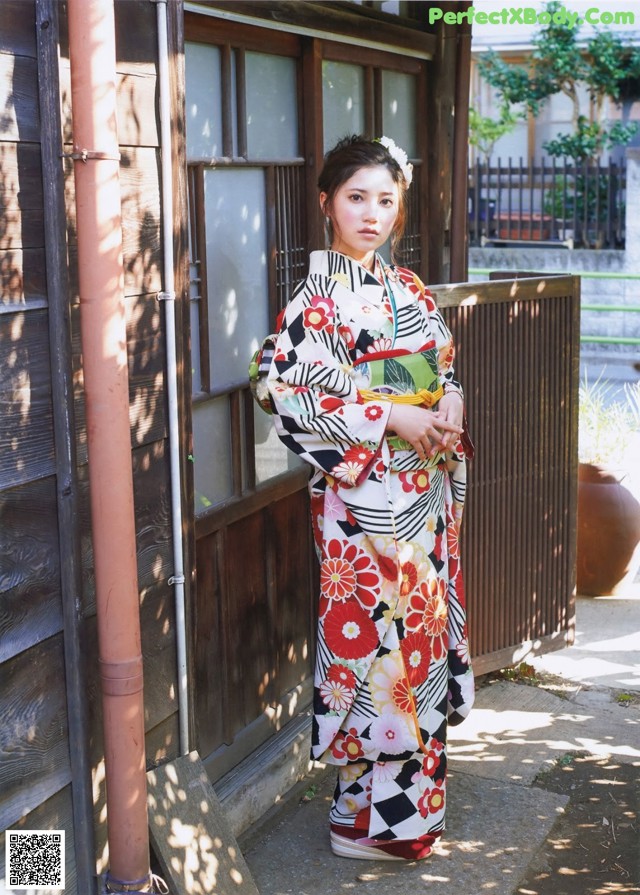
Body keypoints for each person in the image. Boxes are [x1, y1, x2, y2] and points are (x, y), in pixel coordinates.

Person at [267, 135, 474, 862]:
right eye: (356, 196)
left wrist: (445, 402)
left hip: (418, 500)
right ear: (326, 202)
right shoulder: (314, 299)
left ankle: (366, 816)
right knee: (375, 654)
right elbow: (284, 391)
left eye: (386, 200)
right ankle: (388, 825)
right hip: (360, 510)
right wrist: (391, 414)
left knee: (414, 646)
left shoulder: (409, 289)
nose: (372, 213)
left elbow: (443, 365)